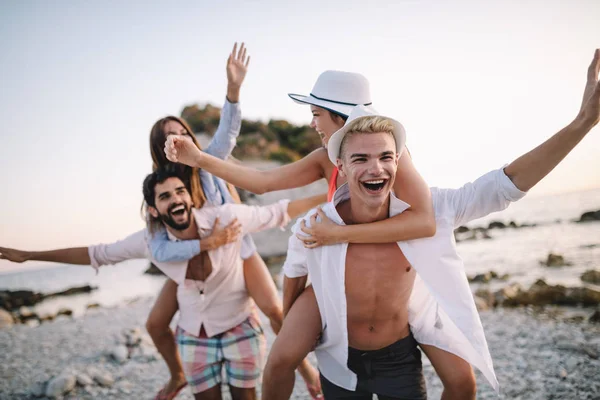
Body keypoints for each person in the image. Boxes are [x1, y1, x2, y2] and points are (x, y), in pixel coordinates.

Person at [260, 48, 600, 399]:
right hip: (339, 357)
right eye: (360, 158)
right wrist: (296, 332)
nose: (376, 168)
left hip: (399, 358)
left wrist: (582, 124)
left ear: (398, 161)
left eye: (385, 157)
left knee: (463, 385)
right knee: (278, 361)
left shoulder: (432, 211)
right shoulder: (315, 227)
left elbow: (505, 184)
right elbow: (294, 275)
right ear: (341, 169)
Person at [0, 42, 322, 400]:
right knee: (155, 323)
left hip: (237, 245)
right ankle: (178, 376)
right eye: (170, 136)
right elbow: (122, 250)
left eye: (182, 131)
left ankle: (305, 368)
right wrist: (29, 255)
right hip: (190, 258)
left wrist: (233, 90)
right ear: (160, 150)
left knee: (273, 309)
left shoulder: (208, 161)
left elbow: (229, 136)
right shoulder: (163, 194)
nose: (179, 138)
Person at [165, 70, 485, 398]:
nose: (312, 123)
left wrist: (339, 235)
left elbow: (423, 223)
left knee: (462, 382)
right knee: (280, 359)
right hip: (332, 274)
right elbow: (262, 181)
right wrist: (198, 159)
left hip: (389, 278)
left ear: (340, 116)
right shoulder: (324, 158)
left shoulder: (388, 157)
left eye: (316, 115)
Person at [1, 165, 324, 400]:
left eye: (180, 191)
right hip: (194, 337)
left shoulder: (226, 219)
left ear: (191, 198)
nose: (176, 199)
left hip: (240, 326)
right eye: (165, 196)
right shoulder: (151, 242)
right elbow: (96, 253)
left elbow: (281, 211)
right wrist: (29, 255)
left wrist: (329, 192)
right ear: (155, 209)